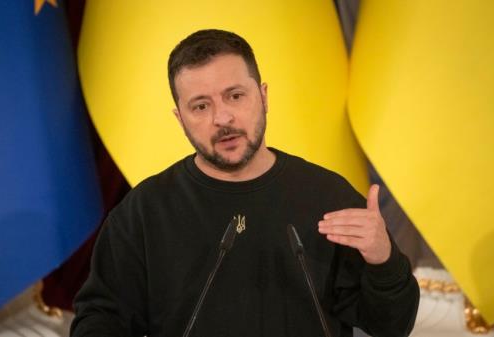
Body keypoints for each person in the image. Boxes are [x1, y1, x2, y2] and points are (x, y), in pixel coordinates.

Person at [70, 29, 419, 337]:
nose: (222, 118)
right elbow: (101, 319)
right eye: (201, 106)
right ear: (180, 118)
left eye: (235, 96)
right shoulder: (144, 212)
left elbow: (392, 325)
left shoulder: (329, 197)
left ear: (263, 96)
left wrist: (384, 260)